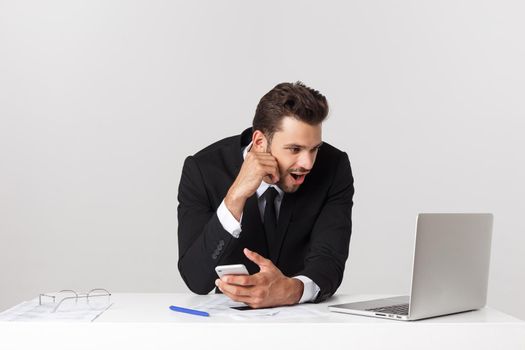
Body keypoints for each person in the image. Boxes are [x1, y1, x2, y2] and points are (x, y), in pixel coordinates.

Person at [177, 82, 354, 308]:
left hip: (305, 321)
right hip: (228, 323)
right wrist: (235, 197)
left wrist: (291, 291)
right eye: (295, 149)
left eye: (314, 149)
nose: (308, 163)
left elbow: (329, 261)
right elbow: (196, 279)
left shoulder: (334, 167)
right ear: (260, 142)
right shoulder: (202, 170)